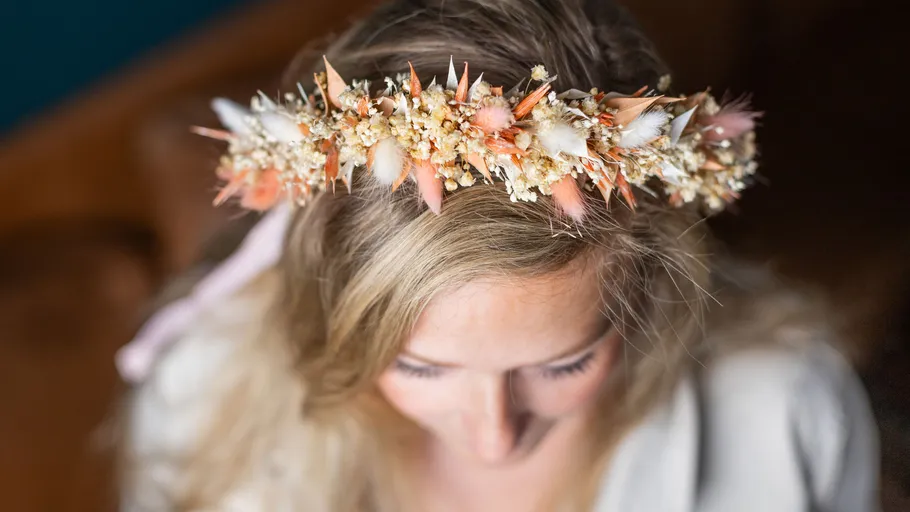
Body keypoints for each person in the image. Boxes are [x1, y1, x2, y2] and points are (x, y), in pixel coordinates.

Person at [116, 0, 879, 510]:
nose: (494, 436)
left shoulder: (786, 412)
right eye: (420, 368)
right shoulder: (202, 396)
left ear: (651, 290)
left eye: (563, 365)